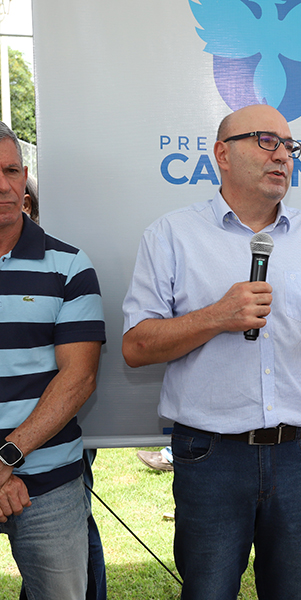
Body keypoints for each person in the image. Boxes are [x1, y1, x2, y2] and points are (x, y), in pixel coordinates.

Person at [121, 104, 301, 600]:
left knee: (289, 591)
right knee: (209, 591)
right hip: (211, 455)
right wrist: (217, 316)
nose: (283, 155)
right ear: (222, 153)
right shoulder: (171, 236)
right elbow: (136, 346)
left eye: (290, 146)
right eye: (266, 141)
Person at [0, 121, 106, 598]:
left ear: (25, 178)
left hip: (51, 485)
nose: (3, 185)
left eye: (11, 170)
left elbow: (79, 378)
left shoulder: (69, 266)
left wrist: (5, 458)